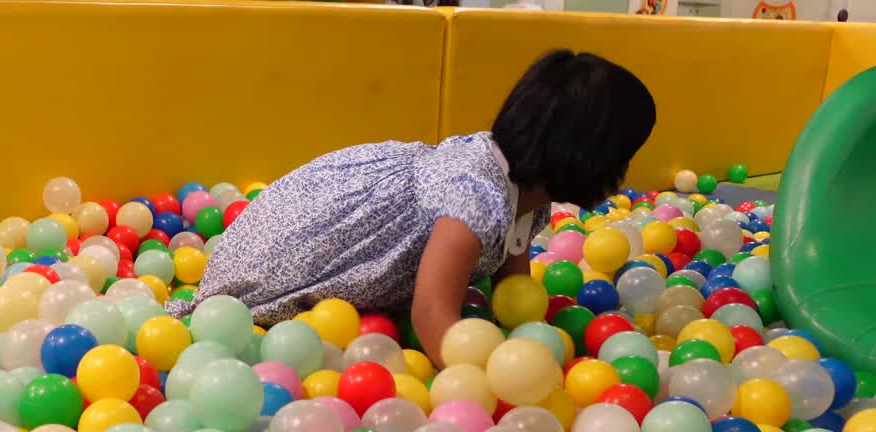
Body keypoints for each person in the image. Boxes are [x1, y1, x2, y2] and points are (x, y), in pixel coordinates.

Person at [166, 49, 656, 367]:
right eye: (623, 155)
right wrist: (491, 392)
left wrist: (540, 349)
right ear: (588, 153)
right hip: (274, 265)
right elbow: (431, 314)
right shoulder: (476, 197)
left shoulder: (526, 197)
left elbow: (515, 296)